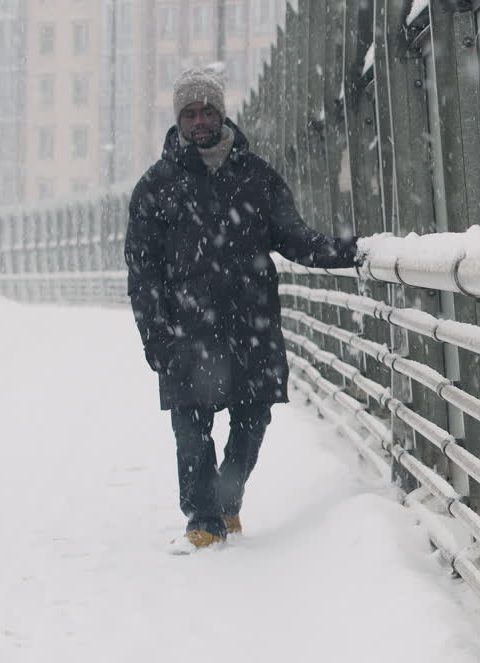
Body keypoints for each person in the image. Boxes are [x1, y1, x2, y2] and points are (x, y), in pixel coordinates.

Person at [125, 67, 359, 551]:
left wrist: (350, 253)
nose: (199, 121)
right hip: (185, 329)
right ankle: (203, 522)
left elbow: (293, 237)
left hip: (250, 323)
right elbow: (142, 272)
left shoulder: (256, 177)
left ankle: (227, 500)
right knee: (191, 427)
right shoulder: (156, 186)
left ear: (221, 112)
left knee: (254, 419)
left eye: (207, 110)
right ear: (178, 120)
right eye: (189, 113)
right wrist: (155, 334)